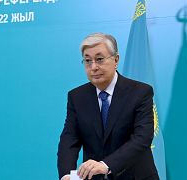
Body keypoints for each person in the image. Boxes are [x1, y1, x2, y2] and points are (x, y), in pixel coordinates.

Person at [57, 33, 159, 180]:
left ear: (116, 59)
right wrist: (66, 174)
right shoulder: (77, 97)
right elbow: (69, 139)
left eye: (99, 59)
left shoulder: (140, 92)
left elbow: (142, 138)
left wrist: (106, 165)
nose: (93, 67)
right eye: (87, 61)